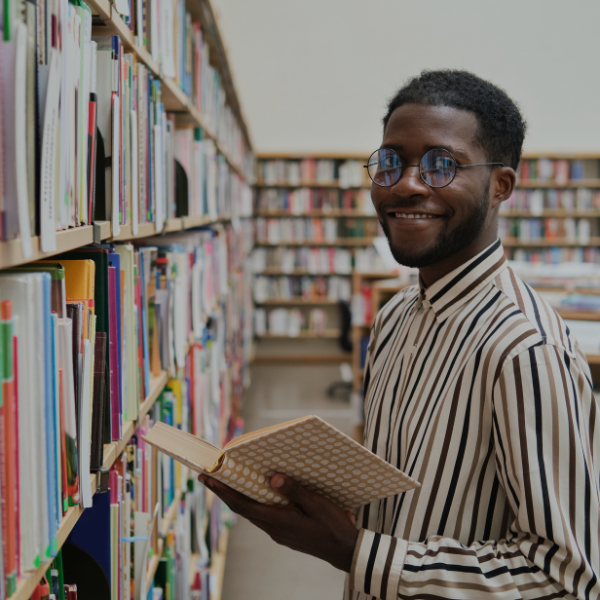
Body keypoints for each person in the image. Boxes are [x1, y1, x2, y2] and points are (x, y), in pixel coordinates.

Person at [199, 70, 600, 599]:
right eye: (391, 161)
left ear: (500, 186)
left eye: (443, 165)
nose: (406, 183)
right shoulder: (395, 317)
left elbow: (564, 577)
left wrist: (352, 550)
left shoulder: (525, 351)